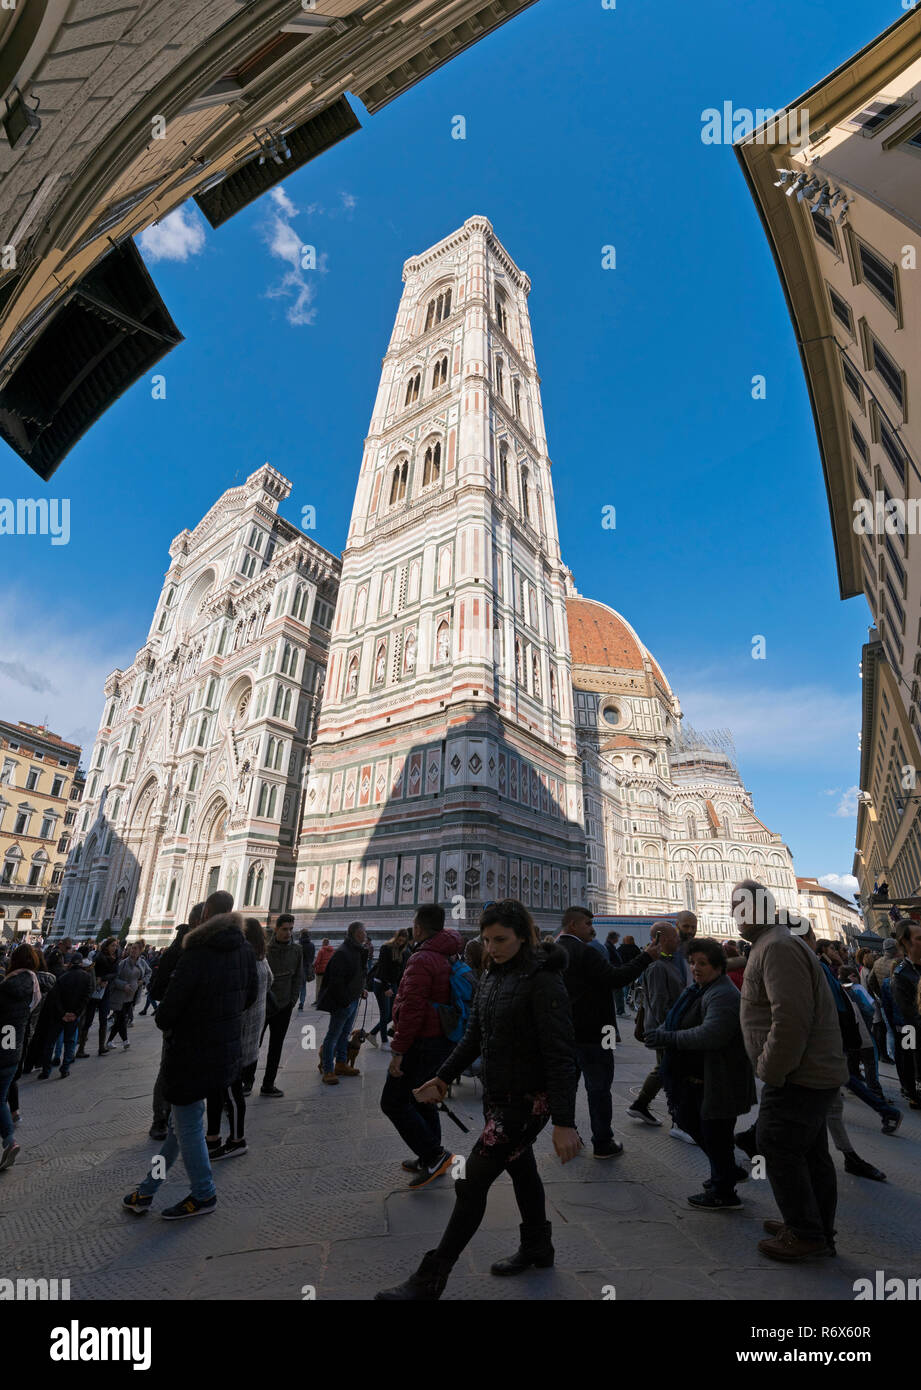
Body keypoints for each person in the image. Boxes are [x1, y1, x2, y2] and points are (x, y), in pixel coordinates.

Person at [375, 899, 581, 1301]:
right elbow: (474, 1036)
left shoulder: (543, 980)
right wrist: (443, 1076)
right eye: (486, 940)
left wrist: (564, 1121)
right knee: (521, 1169)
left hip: (527, 1101)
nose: (493, 947)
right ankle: (538, 1245)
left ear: (524, 935)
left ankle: (431, 1278)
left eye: (501, 939)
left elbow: (561, 1053)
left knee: (469, 1184)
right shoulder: (492, 974)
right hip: (498, 1094)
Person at [733, 880, 847, 1261]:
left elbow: (791, 1018)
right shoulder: (773, 943)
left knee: (777, 1145)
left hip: (798, 1074)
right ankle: (813, 1227)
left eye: (740, 906)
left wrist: (772, 1069)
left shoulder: (778, 946)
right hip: (805, 1071)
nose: (736, 914)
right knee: (809, 1154)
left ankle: (806, 1233)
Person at [122, 902, 257, 1219]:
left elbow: (166, 1013)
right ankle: (147, 1190)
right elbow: (248, 997)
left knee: (187, 1126)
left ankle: (203, 1194)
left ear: (203, 919)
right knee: (179, 1127)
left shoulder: (195, 953)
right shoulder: (245, 949)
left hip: (191, 1052)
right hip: (223, 1049)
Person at [645, 937, 755, 1209]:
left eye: (702, 963)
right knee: (695, 1123)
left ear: (718, 965)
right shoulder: (699, 988)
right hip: (696, 1077)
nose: (695, 968)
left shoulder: (723, 994)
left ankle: (723, 1191)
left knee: (715, 1133)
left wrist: (667, 1037)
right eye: (692, 962)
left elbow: (711, 1035)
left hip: (720, 1078)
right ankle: (727, 1170)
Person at [556, 906, 658, 1157]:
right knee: (599, 1088)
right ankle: (602, 1142)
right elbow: (615, 978)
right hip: (596, 1032)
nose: (592, 928)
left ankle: (569, 1135)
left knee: (567, 1088)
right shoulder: (585, 952)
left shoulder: (555, 950)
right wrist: (646, 957)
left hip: (566, 1032)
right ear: (573, 926)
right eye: (588, 924)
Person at [379, 905, 462, 1186]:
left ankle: (433, 1153)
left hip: (422, 1041)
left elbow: (413, 1008)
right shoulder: (448, 952)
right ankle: (431, 1158)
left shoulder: (422, 958)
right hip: (440, 1038)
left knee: (393, 1101)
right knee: (422, 1096)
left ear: (418, 928)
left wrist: (398, 1051)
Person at [206, 917, 270, 1158]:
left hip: (237, 1035)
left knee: (231, 1092)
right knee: (227, 1090)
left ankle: (237, 1139)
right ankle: (218, 1137)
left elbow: (241, 997)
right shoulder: (261, 961)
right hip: (248, 1034)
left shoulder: (248, 962)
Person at [148, 903, 205, 1140]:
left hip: (200, 1020)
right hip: (178, 1021)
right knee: (169, 1068)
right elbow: (157, 988)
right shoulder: (178, 950)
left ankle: (179, 1115)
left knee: (193, 1068)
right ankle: (160, 1117)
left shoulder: (205, 947)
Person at [627, 921, 688, 1128]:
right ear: (662, 939)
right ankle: (676, 1118)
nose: (678, 939)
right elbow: (658, 1003)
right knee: (667, 1069)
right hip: (666, 1030)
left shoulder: (668, 962)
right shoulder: (657, 966)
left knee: (665, 1068)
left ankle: (641, 1104)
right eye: (674, 937)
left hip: (669, 1029)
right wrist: (668, 1031)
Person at [0, 944, 41, 1171]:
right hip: (15, 1049)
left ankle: (10, 1140)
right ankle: (9, 1139)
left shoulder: (6, 988)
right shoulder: (33, 984)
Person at [317, 922, 369, 1083]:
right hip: (343, 1003)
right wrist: (344, 1001)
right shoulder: (343, 952)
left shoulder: (356, 950)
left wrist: (361, 989)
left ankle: (341, 1063)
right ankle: (328, 1070)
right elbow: (336, 981)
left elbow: (356, 975)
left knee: (345, 1034)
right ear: (355, 934)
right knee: (333, 1036)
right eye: (363, 932)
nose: (365, 935)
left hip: (352, 999)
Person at [259, 914, 303, 1098]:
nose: (288, 933)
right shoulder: (265, 950)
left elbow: (298, 976)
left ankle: (268, 1084)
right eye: (285, 929)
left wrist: (292, 1001)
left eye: (291, 929)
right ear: (276, 929)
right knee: (255, 1044)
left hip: (284, 1006)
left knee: (276, 1046)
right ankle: (247, 1082)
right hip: (263, 1005)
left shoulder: (296, 950)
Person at [38, 953, 92, 1079]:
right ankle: (65, 1068)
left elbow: (55, 998)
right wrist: (76, 1013)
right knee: (70, 1042)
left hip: (59, 1015)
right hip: (74, 1015)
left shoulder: (63, 976)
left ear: (71, 963)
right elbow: (86, 998)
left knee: (50, 1042)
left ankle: (46, 1070)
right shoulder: (86, 977)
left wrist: (63, 1013)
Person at [240, 919, 273, 1099]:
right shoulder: (262, 956)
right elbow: (270, 980)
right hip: (258, 1012)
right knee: (253, 1048)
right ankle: (248, 1082)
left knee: (238, 1051)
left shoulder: (242, 955)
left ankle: (238, 1086)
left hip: (242, 1014)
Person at [891, 918, 921, 1108]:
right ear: (905, 943)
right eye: (919, 939)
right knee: (912, 1060)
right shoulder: (901, 975)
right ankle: (913, 1093)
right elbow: (909, 1014)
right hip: (911, 1031)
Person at [76, 936, 118, 1057]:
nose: (114, 948)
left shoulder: (115, 959)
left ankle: (101, 1047)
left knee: (103, 1019)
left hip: (105, 991)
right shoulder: (99, 957)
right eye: (112, 945)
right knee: (88, 1019)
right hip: (95, 991)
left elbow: (115, 973)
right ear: (107, 946)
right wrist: (97, 980)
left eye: (116, 946)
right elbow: (91, 971)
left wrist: (104, 979)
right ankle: (81, 1049)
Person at [367, 928, 409, 1048]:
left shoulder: (404, 951)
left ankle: (372, 1033)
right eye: (399, 940)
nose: (400, 943)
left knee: (393, 1014)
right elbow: (383, 968)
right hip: (381, 984)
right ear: (396, 938)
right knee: (384, 1013)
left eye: (403, 941)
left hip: (393, 984)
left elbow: (401, 971)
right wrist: (386, 987)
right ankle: (384, 1041)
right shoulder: (386, 948)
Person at [106, 942, 143, 1049]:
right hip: (120, 996)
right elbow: (114, 978)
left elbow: (148, 973)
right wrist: (124, 986)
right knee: (121, 1019)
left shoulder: (141, 963)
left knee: (121, 1020)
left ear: (140, 951)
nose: (133, 951)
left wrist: (142, 981)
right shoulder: (123, 963)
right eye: (131, 949)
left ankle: (110, 1041)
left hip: (131, 997)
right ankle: (125, 1041)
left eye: (135, 949)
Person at [296, 929, 315, 1012]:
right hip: (307, 968)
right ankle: (302, 1002)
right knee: (303, 986)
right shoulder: (311, 945)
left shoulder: (298, 945)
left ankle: (296, 1001)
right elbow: (312, 957)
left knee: (297, 986)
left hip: (299, 969)